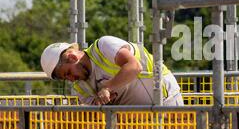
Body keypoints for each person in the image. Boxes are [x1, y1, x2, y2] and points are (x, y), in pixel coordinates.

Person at [40, 35, 183, 106]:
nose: (71, 79)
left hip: (166, 101)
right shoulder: (81, 88)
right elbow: (97, 119)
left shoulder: (103, 46)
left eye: (68, 73)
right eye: (66, 79)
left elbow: (134, 66)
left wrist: (108, 87)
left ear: (72, 57)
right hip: (138, 122)